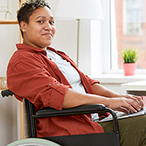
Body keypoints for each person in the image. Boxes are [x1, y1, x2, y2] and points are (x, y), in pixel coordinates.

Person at [6, 0, 146, 145]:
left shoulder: (57, 55)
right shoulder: (22, 61)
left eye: (52, 22)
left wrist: (120, 98)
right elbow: (60, 95)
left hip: (95, 119)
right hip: (75, 130)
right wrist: (110, 102)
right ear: (24, 26)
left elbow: (87, 83)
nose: (48, 27)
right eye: (41, 21)